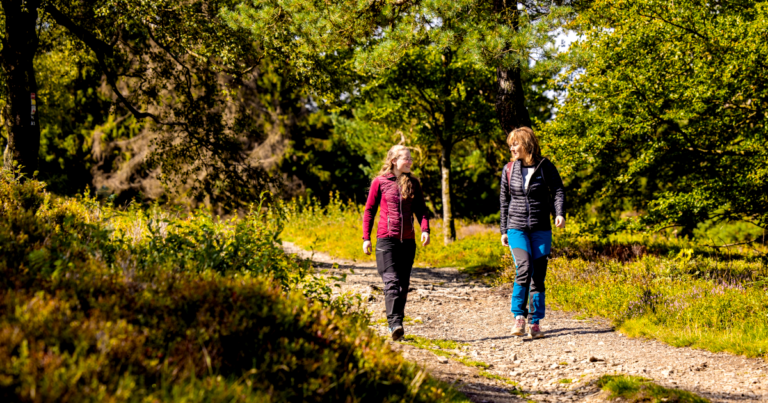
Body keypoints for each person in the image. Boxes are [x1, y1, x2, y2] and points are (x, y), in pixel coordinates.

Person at [499, 127, 565, 339]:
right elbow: (504, 201)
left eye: (516, 143)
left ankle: (535, 322)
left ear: (527, 144)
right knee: (524, 267)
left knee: (538, 274)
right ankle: (519, 316)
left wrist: (559, 213)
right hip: (516, 227)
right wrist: (503, 230)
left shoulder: (545, 167)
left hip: (541, 228)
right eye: (511, 144)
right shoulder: (509, 169)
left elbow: (558, 190)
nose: (512, 147)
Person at [362, 145, 430, 341]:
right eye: (406, 158)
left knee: (402, 285)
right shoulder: (380, 182)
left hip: (408, 242)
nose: (410, 162)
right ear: (394, 161)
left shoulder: (413, 183)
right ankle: (394, 324)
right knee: (391, 282)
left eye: (410, 159)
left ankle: (397, 322)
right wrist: (366, 238)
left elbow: (422, 210)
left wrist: (425, 229)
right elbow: (369, 211)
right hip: (386, 241)